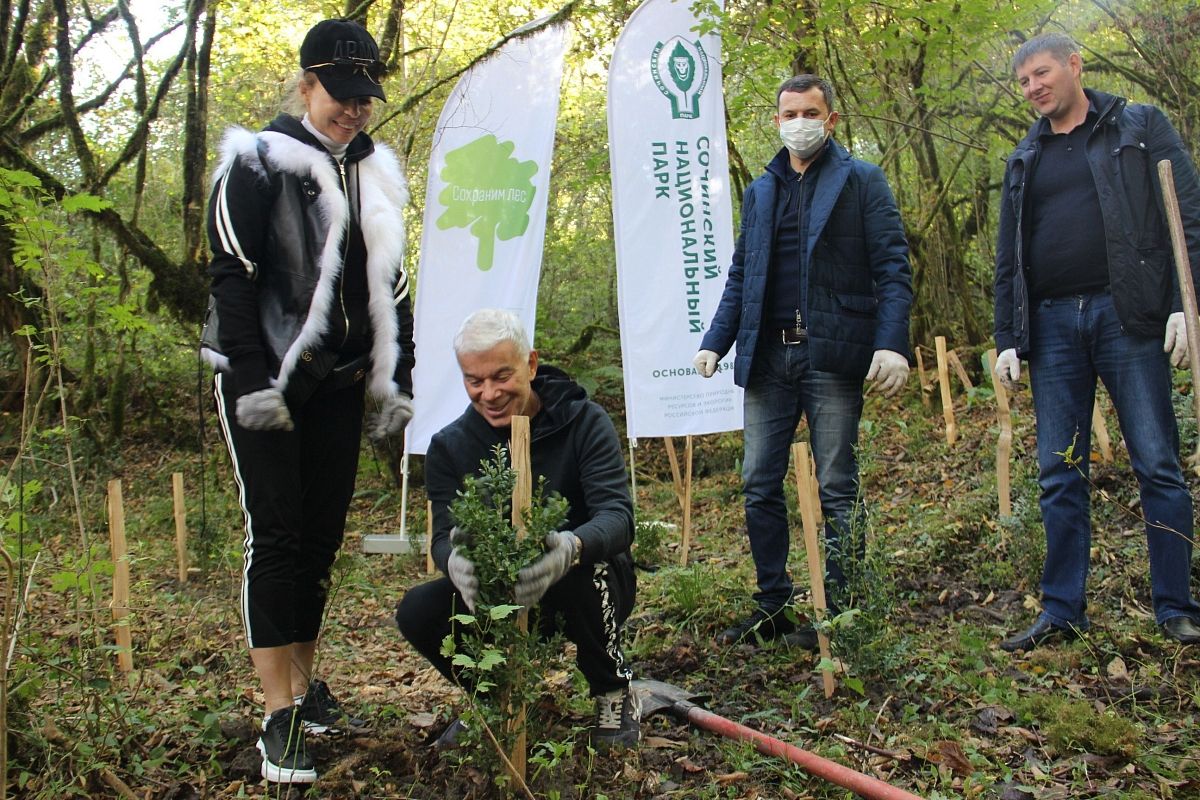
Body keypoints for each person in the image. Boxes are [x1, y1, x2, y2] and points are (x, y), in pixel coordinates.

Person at [201, 18, 415, 784]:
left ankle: (301, 681)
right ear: (306, 86)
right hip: (266, 382)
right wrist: (253, 382)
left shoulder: (373, 170)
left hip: (341, 384)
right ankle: (277, 715)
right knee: (278, 536)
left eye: (364, 98)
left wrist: (400, 377)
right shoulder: (256, 163)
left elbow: (390, 285)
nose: (354, 110)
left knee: (321, 540)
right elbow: (231, 276)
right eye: (340, 95)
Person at [992, 33, 1200, 652]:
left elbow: (1186, 214)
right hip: (1053, 327)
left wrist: (1185, 307)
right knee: (1059, 470)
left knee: (1157, 462)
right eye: (1024, 80)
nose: (1033, 87)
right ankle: (1063, 610)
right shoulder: (1024, 157)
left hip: (1128, 316)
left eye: (1042, 72)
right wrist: (1008, 335)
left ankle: (1176, 607)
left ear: (1075, 65)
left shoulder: (1137, 127)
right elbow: (1010, 256)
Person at [693, 74, 913, 647]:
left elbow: (892, 266)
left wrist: (891, 342)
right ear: (776, 120)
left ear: (831, 119)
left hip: (831, 355)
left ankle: (843, 611)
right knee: (758, 483)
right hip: (767, 357)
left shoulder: (862, 181)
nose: (800, 123)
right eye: (789, 113)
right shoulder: (762, 190)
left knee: (837, 484)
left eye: (810, 112)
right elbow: (744, 271)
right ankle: (773, 607)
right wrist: (716, 340)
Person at [395, 309, 639, 750]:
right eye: (474, 380)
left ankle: (612, 691)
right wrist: (455, 562)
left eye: (501, 376)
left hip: (586, 584)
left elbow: (618, 518)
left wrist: (571, 545)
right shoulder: (449, 447)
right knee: (418, 608)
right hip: (501, 592)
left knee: (588, 568)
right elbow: (442, 535)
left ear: (530, 363)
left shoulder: (584, 423)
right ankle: (493, 698)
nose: (489, 393)